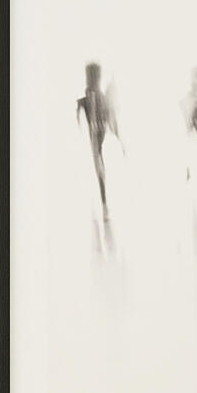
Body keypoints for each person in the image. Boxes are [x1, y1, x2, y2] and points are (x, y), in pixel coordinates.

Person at [73, 63, 122, 253]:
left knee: (99, 169)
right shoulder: (91, 98)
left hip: (97, 138)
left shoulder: (95, 97)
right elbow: (103, 117)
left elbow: (106, 117)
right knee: (98, 170)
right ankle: (103, 204)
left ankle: (103, 204)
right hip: (96, 137)